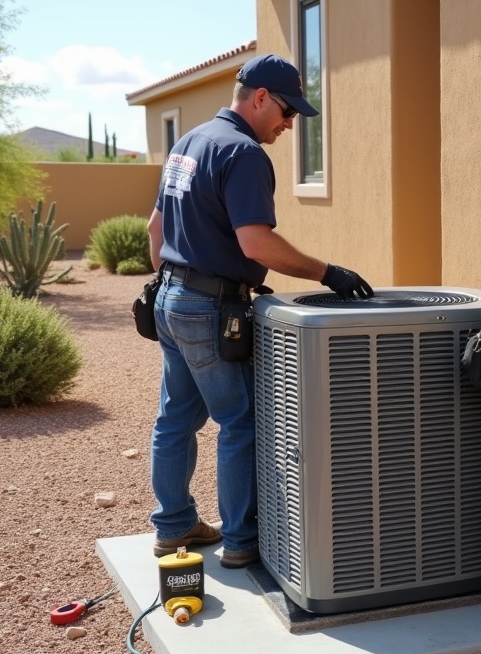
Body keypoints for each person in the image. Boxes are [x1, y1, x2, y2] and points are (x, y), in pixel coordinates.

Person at [146, 54, 374, 569]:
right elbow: (256, 243)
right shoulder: (243, 153)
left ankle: (174, 525)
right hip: (208, 308)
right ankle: (244, 541)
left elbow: (155, 231)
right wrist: (327, 273)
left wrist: (171, 285)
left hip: (170, 298)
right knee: (240, 421)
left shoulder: (188, 143)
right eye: (287, 111)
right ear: (260, 98)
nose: (290, 123)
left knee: (176, 418)